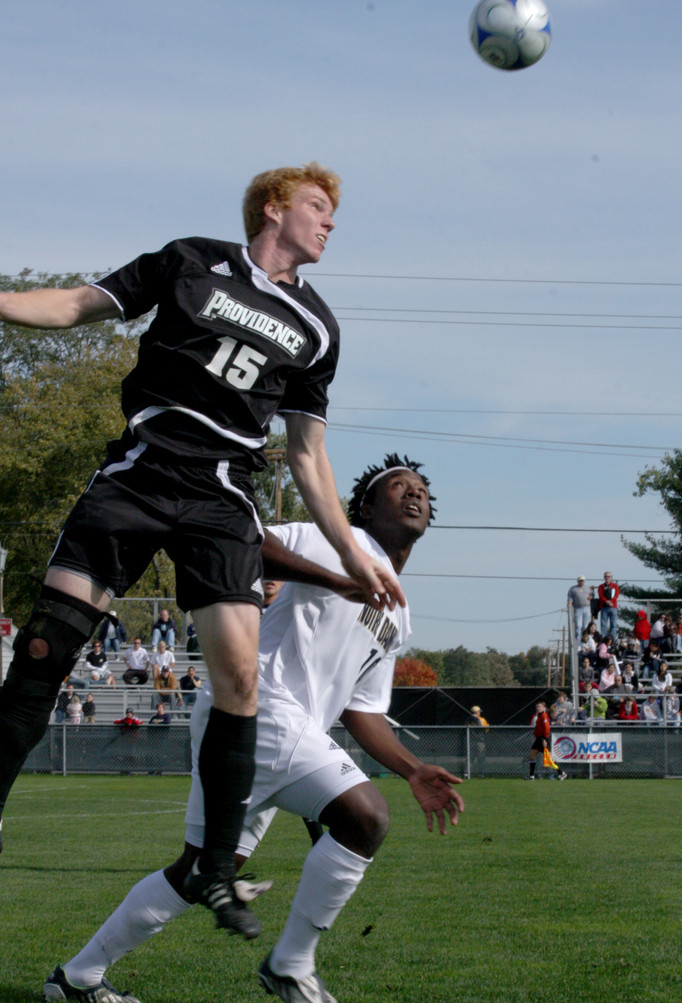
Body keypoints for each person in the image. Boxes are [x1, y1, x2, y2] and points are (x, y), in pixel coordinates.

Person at [0, 163, 404, 936]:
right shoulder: (190, 260)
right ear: (274, 209)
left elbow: (308, 454)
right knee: (47, 646)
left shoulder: (319, 327)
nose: (330, 223)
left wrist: (353, 556)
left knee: (240, 674)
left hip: (222, 497)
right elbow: (81, 304)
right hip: (139, 473)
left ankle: (216, 868)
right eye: (319, 208)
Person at [43, 456, 463, 1003]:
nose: (413, 494)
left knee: (199, 873)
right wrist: (340, 577)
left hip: (265, 727)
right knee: (366, 818)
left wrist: (412, 768)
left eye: (421, 491)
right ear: (364, 506)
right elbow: (241, 540)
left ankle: (77, 975)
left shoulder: (400, 615)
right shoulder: (331, 540)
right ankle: (291, 965)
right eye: (397, 487)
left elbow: (364, 712)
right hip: (260, 704)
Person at [527, 701, 567, 780]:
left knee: (550, 758)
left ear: (544, 708)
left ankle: (562, 773)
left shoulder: (544, 716)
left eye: (539, 707)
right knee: (532, 756)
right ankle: (531, 775)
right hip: (538, 739)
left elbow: (546, 729)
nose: (538, 708)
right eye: (537, 707)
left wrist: (544, 739)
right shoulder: (539, 716)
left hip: (543, 739)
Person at [466, 705, 489, 779]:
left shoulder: (468, 719)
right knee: (481, 758)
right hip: (480, 741)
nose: (480, 713)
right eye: (479, 711)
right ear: (477, 712)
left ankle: (466, 773)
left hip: (470, 741)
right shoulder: (480, 719)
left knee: (470, 759)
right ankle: (481, 774)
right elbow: (485, 729)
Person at [567, 574, 591, 644]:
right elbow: (570, 596)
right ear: (577, 581)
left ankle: (585, 638)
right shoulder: (573, 589)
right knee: (578, 625)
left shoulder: (588, 588)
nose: (581, 582)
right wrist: (570, 602)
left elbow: (592, 594)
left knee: (585, 625)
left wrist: (591, 597)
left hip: (587, 607)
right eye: (580, 581)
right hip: (578, 608)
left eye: (583, 581)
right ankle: (578, 639)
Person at [598, 572, 620, 640]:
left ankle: (612, 639)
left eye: (609, 576)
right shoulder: (601, 586)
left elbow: (616, 595)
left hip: (613, 607)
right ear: (604, 577)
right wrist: (606, 601)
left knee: (613, 624)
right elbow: (601, 596)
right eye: (606, 576)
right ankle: (603, 639)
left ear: (611, 577)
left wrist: (611, 601)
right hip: (604, 608)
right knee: (604, 624)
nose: (607, 578)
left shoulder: (614, 586)